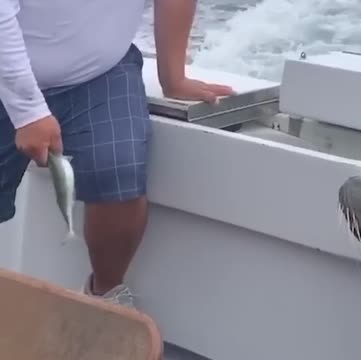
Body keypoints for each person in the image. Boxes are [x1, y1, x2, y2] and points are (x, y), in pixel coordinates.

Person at [0, 0, 235, 308]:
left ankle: (105, 300)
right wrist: (29, 111)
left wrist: (173, 76)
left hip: (99, 72)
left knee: (118, 171)